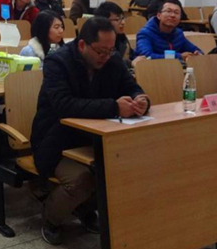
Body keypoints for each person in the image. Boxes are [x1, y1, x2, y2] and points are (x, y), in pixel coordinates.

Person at [31, 17, 150, 245]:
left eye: (110, 50)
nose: (106, 56)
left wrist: (140, 99)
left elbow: (132, 86)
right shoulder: (58, 62)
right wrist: (114, 107)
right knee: (81, 179)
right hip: (55, 140)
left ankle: (83, 207)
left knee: (125, 167)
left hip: (96, 138)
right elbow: (64, 105)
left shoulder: (112, 59)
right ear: (82, 45)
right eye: (101, 51)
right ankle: (51, 217)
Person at [136, 1, 202, 61]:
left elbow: (195, 50)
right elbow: (147, 57)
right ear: (159, 15)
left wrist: (197, 54)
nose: (172, 15)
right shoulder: (145, 33)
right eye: (168, 11)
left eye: (176, 13)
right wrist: (179, 56)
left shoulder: (178, 33)